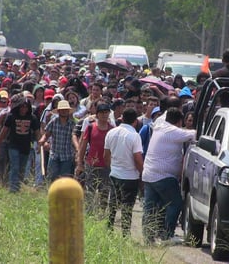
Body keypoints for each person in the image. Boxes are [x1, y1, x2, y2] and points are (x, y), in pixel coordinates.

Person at [142, 107, 196, 243]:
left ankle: (148, 237)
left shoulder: (159, 124)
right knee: (176, 204)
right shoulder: (174, 132)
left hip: (149, 174)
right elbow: (193, 134)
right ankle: (168, 235)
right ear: (179, 121)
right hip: (163, 176)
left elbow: (166, 114)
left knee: (150, 207)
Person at [104, 108, 144, 237]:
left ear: (122, 118)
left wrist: (112, 168)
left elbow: (106, 155)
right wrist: (142, 173)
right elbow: (137, 158)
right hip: (130, 176)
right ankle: (125, 234)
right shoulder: (134, 135)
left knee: (113, 204)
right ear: (135, 121)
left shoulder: (111, 132)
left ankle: (109, 229)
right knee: (127, 207)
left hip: (114, 173)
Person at [0, 95, 40, 193]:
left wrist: (39, 144)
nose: (24, 109)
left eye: (26, 106)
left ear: (28, 108)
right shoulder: (11, 116)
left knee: (22, 168)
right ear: (18, 107)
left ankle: (18, 186)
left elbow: (37, 132)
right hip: (13, 145)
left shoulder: (32, 118)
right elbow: (4, 131)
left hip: (26, 146)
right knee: (15, 166)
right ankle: (13, 188)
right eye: (22, 106)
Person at [76, 103, 113, 212]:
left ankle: (102, 214)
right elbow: (83, 146)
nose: (104, 115)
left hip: (106, 166)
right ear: (97, 114)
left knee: (105, 193)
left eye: (106, 112)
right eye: (102, 113)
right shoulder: (91, 127)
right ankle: (89, 214)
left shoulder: (112, 130)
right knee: (89, 192)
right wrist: (80, 163)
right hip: (91, 165)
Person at [38, 100, 78, 183]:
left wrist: (77, 151)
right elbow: (47, 134)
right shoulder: (53, 121)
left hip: (67, 155)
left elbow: (74, 138)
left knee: (64, 178)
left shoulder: (72, 124)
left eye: (66, 110)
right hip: (54, 154)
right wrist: (43, 140)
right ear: (58, 111)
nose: (64, 111)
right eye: (62, 110)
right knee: (52, 176)